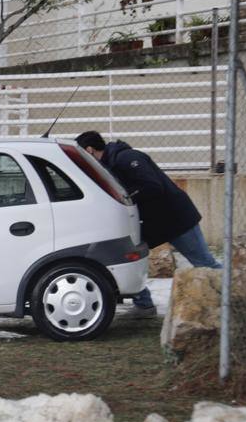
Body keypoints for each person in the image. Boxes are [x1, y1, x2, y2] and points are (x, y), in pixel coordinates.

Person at [75, 131, 221, 317]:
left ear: (89, 150)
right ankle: (144, 304)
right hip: (154, 222)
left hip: (176, 219)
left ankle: (238, 297)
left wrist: (125, 198)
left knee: (204, 263)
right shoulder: (112, 164)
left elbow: (152, 186)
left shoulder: (127, 158)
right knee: (130, 258)